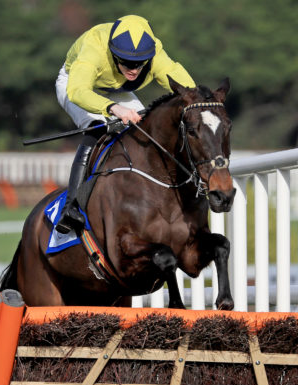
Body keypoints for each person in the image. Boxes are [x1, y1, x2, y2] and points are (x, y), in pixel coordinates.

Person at [54, 14, 196, 234]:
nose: (133, 69)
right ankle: (71, 207)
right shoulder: (94, 45)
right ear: (112, 52)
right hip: (77, 85)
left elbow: (184, 86)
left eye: (139, 64)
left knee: (143, 131)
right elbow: (78, 91)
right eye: (126, 62)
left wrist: (199, 103)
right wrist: (113, 108)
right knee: (98, 127)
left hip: (118, 90)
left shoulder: (154, 51)